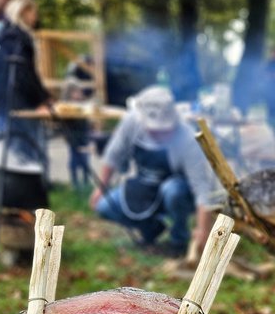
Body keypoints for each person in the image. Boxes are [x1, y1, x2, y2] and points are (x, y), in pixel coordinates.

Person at [89, 85, 215, 256]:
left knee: (172, 190)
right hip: (144, 185)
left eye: (163, 130)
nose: (158, 134)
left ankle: (179, 239)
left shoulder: (187, 137)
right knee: (104, 206)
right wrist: (100, 188)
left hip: (177, 191)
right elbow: (113, 156)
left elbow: (202, 189)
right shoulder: (131, 122)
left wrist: (203, 229)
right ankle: (151, 228)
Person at [0, 0, 52, 165]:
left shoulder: (5, 35)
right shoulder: (20, 38)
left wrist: (44, 95)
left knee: (11, 146)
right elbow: (25, 73)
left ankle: (16, 180)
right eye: (33, 12)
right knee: (28, 144)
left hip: (4, 99)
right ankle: (34, 181)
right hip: (20, 101)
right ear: (23, 11)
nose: (35, 17)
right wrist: (41, 99)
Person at [61, 54, 94, 188]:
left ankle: (85, 182)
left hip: (83, 133)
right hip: (73, 135)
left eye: (79, 92)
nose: (78, 94)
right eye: (75, 92)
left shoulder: (82, 103)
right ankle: (75, 183)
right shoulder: (66, 106)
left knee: (85, 158)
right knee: (75, 158)